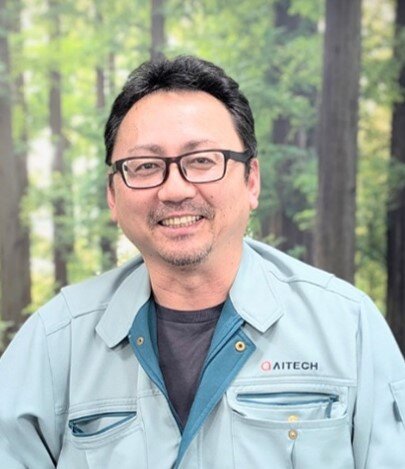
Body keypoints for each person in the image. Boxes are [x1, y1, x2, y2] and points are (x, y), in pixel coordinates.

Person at [0, 55, 404, 469]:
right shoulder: (55, 343)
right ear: (113, 196)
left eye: (202, 161)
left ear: (251, 181)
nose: (175, 190)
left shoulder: (346, 327)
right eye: (145, 166)